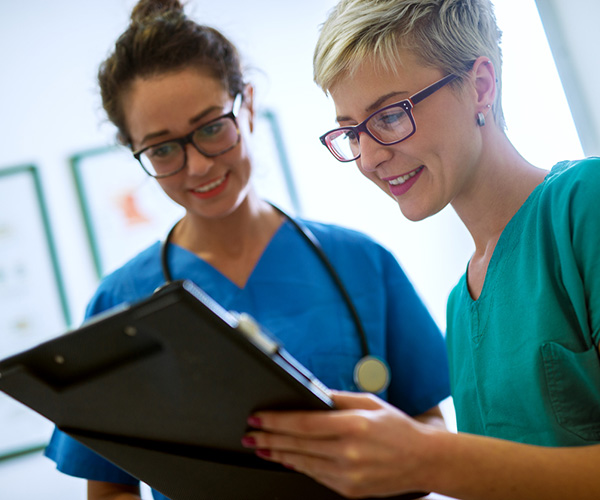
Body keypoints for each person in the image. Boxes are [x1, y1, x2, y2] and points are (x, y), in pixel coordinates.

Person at [242, 0, 600, 498]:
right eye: (351, 130)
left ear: (480, 86)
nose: (368, 157)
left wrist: (427, 456)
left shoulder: (594, 201)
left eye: (389, 115)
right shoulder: (463, 297)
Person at [44, 1, 452, 499]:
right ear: (137, 151)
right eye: (163, 149)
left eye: (211, 127)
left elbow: (429, 428)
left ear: (248, 105)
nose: (196, 166)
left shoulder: (361, 262)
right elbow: (110, 488)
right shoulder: (120, 304)